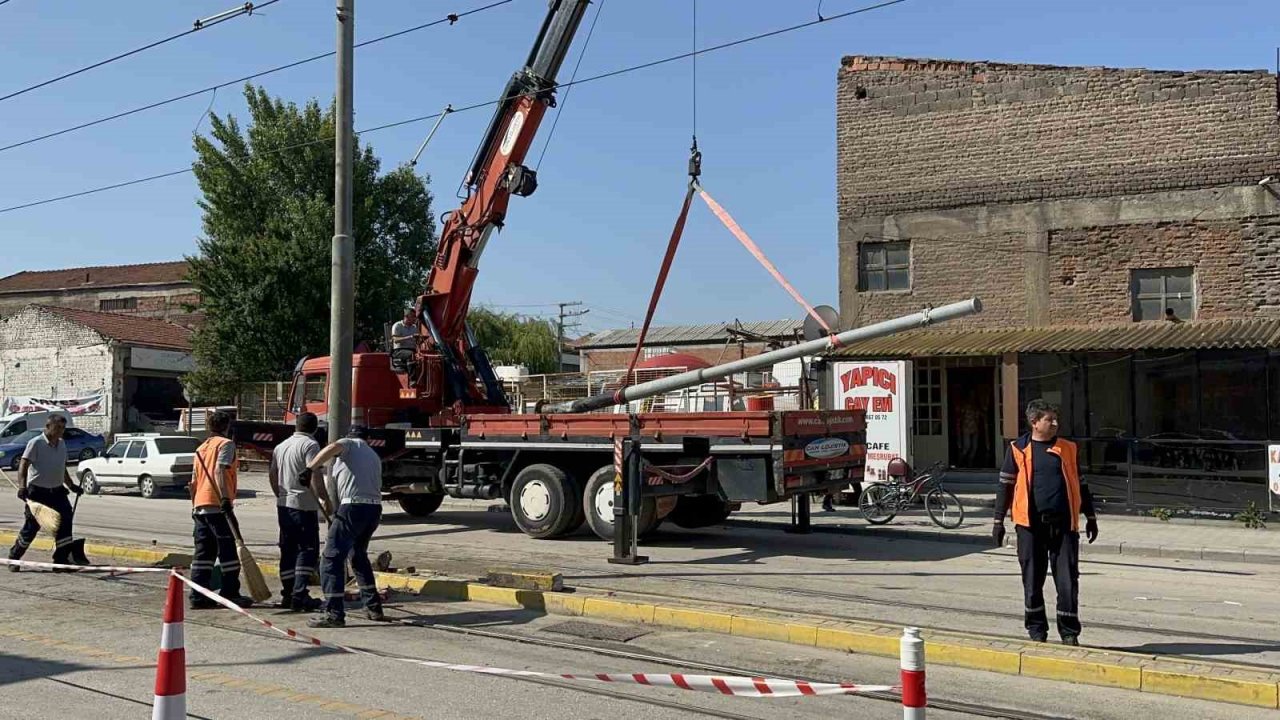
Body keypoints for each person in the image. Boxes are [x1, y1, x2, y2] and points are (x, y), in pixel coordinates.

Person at [993, 399, 1099, 646]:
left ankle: (1069, 632)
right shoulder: (1018, 450)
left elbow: (1081, 485)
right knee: (1032, 579)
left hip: (1063, 526)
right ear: (1034, 422)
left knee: (1067, 581)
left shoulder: (1068, 449)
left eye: (1055, 419)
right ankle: (1037, 628)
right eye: (1049, 420)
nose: (1055, 424)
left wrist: (1091, 517)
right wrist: (998, 521)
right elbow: (1004, 487)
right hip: (1030, 526)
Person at [302, 426, 386, 628]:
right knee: (358, 556)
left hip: (353, 507)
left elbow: (333, 446)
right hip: (373, 509)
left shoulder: (350, 444)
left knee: (331, 558)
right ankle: (373, 607)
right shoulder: (373, 455)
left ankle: (334, 614)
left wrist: (309, 468)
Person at [189, 410, 254, 609]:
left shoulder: (201, 448)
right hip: (218, 506)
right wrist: (225, 498)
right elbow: (220, 469)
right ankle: (230, 592)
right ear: (227, 426)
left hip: (200, 506)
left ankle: (198, 595)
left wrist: (194, 506)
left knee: (203, 554)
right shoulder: (226, 444)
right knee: (228, 552)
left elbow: (192, 482)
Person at [7, 415, 85, 571]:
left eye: (63, 428)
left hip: (57, 492)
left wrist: (71, 485)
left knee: (65, 521)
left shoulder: (62, 444)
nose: (60, 431)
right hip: (37, 493)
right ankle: (14, 558)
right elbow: (23, 465)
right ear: (48, 426)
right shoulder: (36, 443)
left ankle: (60, 562)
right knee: (32, 527)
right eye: (58, 428)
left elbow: (61, 468)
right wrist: (22, 487)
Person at [269, 411, 323, 612]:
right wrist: (324, 498)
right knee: (307, 549)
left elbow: (273, 474)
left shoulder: (281, 446)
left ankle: (288, 593)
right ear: (315, 428)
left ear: (296, 426)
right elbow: (314, 472)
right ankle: (300, 595)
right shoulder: (310, 445)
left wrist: (280, 495)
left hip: (284, 504)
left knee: (288, 548)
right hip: (303, 504)